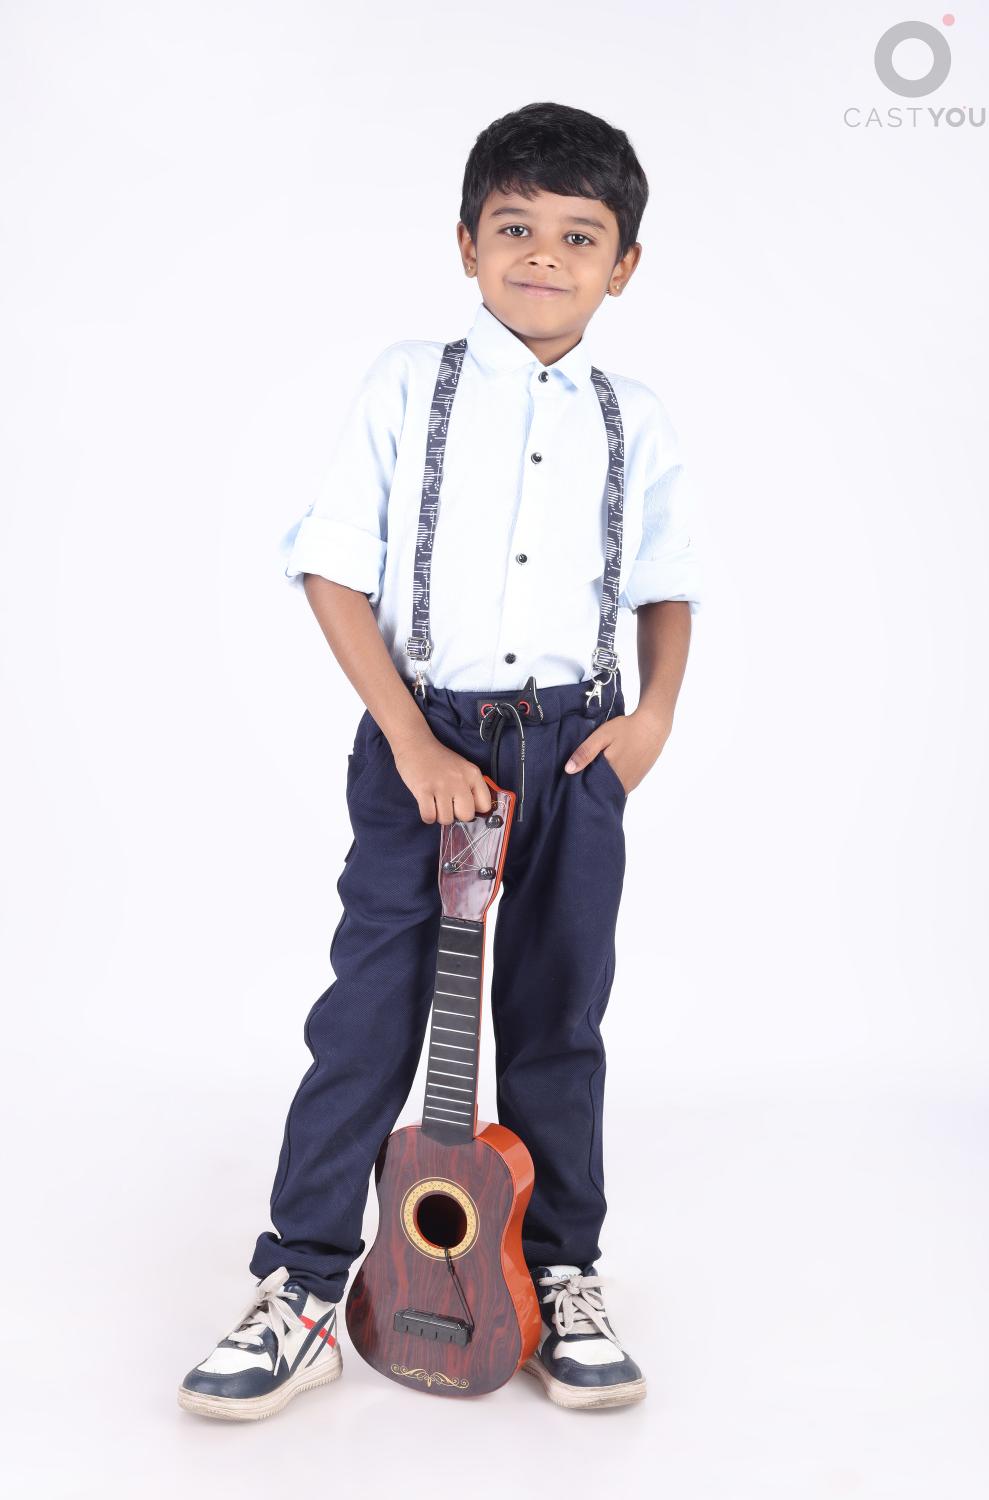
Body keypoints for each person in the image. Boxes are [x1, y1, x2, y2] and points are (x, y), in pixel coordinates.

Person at [178, 99, 703, 1421]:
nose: (544, 255)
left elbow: (666, 582)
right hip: (430, 740)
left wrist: (651, 720)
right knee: (370, 1014)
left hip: (575, 750)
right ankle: (304, 1286)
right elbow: (330, 567)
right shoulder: (411, 384)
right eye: (515, 227)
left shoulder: (635, 417)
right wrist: (412, 742)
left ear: (624, 265)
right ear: (467, 243)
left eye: (579, 235)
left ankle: (556, 1271)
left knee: (558, 1016)